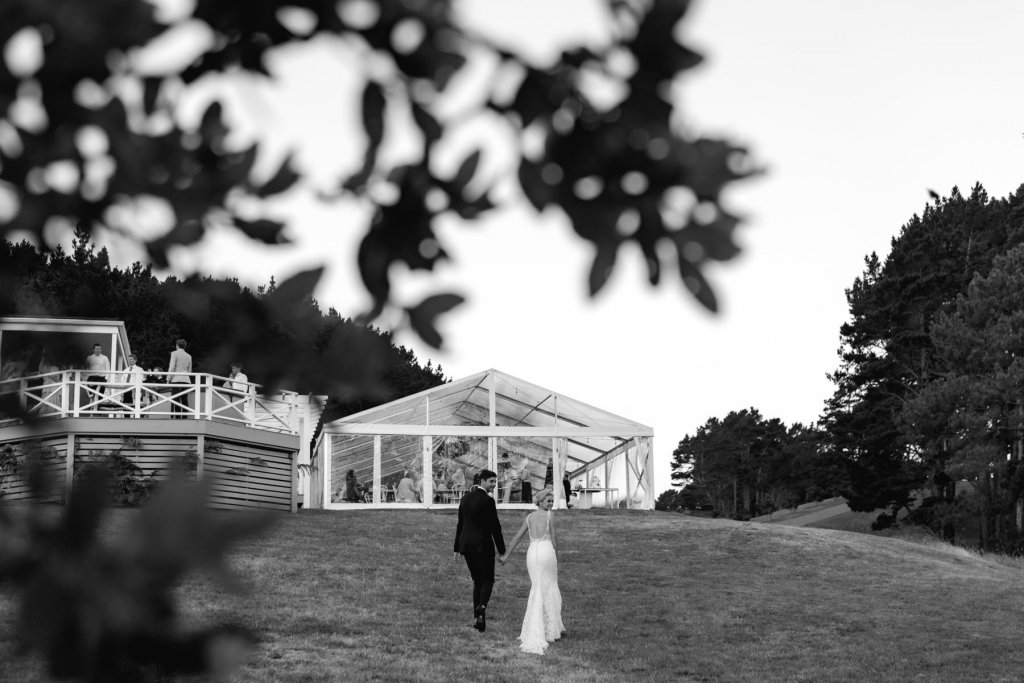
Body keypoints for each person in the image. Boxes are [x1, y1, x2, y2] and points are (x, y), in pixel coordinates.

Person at [499, 488, 565, 654]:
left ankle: (544, 627)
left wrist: (506, 556)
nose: (550, 504)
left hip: (532, 554)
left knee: (537, 588)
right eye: (548, 501)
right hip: (545, 551)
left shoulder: (529, 517)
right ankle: (549, 629)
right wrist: (556, 557)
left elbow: (516, 537)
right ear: (540, 502)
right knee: (548, 587)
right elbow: (555, 538)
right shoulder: (550, 516)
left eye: (551, 501)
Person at [453, 469, 505, 632]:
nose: (494, 485)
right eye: (491, 481)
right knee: (488, 580)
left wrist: (456, 547)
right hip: (483, 545)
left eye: (495, 482)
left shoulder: (465, 499)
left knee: (477, 581)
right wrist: (501, 549)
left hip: (466, 545)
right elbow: (495, 526)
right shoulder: (488, 501)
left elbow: (460, 524)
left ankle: (477, 618)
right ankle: (481, 608)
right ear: (482, 481)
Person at [167, 339, 192, 418]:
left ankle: (177, 418)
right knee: (185, 399)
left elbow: (172, 367)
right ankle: (184, 418)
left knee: (176, 399)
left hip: (176, 379)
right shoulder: (189, 356)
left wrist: (168, 378)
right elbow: (189, 371)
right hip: (186, 380)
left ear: (177, 345)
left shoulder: (174, 353)